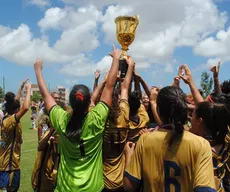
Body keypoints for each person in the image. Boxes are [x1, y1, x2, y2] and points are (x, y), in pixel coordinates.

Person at [34, 45, 121, 191]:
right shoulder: (97, 119)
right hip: (92, 188)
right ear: (90, 103)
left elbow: (46, 96)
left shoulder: (61, 120)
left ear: (71, 104)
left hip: (65, 188)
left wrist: (38, 70)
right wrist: (116, 59)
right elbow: (110, 87)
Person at [123, 86, 216, 192]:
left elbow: (129, 186)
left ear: (158, 110)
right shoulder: (201, 144)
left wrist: (128, 156)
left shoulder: (145, 140)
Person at [102, 56, 135, 191]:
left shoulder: (101, 119)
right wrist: (130, 67)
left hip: (102, 177)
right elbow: (125, 89)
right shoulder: (123, 115)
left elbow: (96, 99)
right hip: (120, 177)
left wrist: (106, 81)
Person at [0, 81, 31, 192]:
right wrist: (28, 91)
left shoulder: (7, 117)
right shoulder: (10, 121)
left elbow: (15, 101)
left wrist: (21, 87)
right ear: (17, 109)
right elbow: (26, 107)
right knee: (11, 189)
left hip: (10, 164)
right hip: (9, 165)